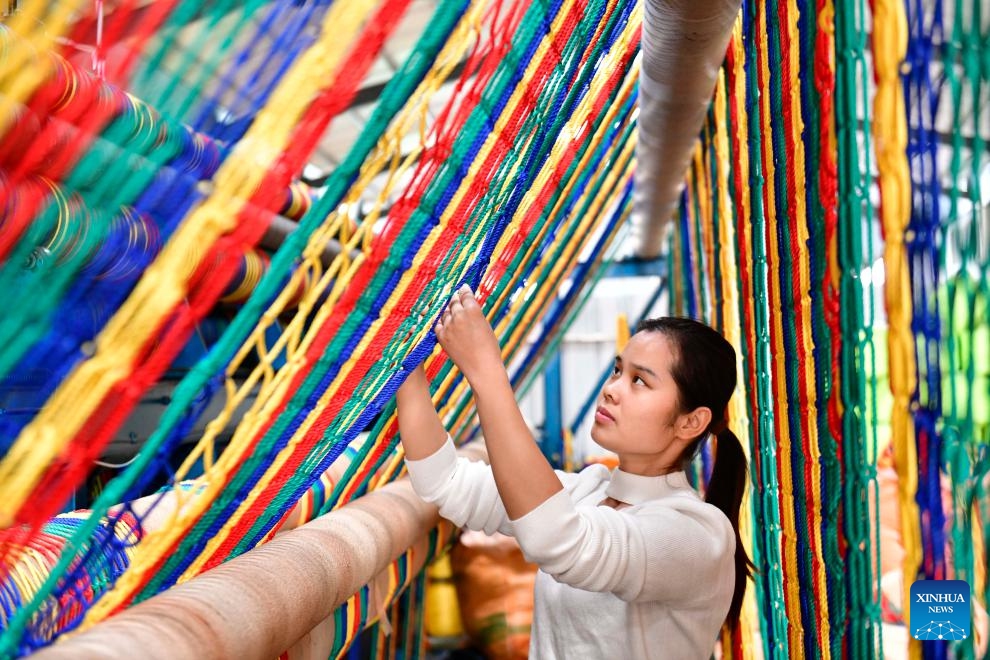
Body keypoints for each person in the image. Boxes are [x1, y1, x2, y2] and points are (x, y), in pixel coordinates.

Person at [396, 285, 752, 659]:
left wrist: (486, 372)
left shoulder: (695, 533)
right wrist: (407, 364)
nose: (612, 389)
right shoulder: (588, 492)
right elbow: (445, 481)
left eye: (640, 381)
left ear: (690, 422)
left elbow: (560, 541)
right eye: (618, 370)